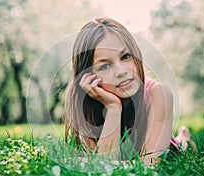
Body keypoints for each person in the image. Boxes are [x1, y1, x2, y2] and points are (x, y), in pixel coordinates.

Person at [64, 17, 194, 166]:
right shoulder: (86, 106)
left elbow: (149, 167)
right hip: (125, 155)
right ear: (88, 75)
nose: (121, 71)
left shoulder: (159, 94)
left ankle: (184, 139)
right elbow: (104, 168)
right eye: (105, 66)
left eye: (126, 56)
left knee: (181, 148)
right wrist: (113, 108)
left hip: (167, 146)